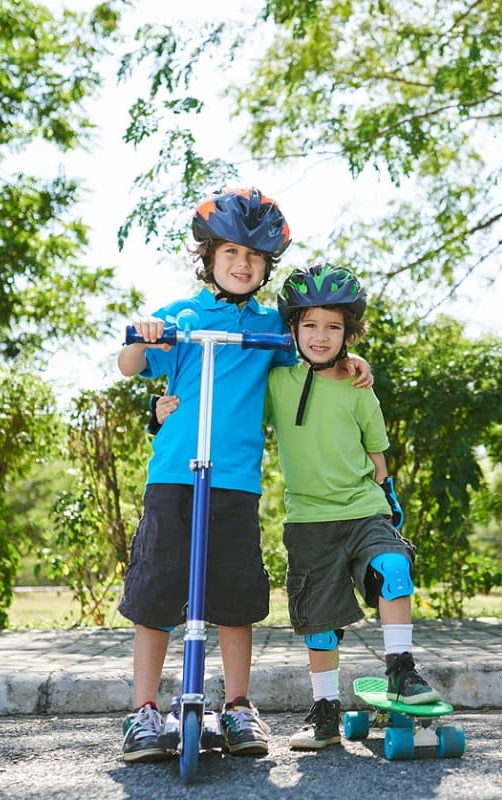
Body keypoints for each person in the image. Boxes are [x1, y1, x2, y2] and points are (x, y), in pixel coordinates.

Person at [116, 188, 372, 763]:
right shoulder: (180, 316)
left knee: (234, 598)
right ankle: (143, 711)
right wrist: (140, 334)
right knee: (157, 593)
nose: (242, 264)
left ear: (266, 268)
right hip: (175, 479)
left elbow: (314, 352)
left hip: (235, 484)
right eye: (231, 251)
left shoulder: (270, 329)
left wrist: (350, 360)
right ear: (207, 257)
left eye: (254, 257)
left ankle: (235, 705)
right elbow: (130, 363)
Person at [266, 263, 440, 751]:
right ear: (293, 328)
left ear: (349, 332)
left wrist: (385, 501)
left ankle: (401, 670)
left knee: (392, 566)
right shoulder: (276, 381)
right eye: (311, 325)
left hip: (363, 510)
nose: (321, 336)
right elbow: (238, 411)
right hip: (308, 521)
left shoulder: (360, 387)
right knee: (319, 625)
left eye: (334, 326)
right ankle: (325, 710)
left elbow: (378, 462)